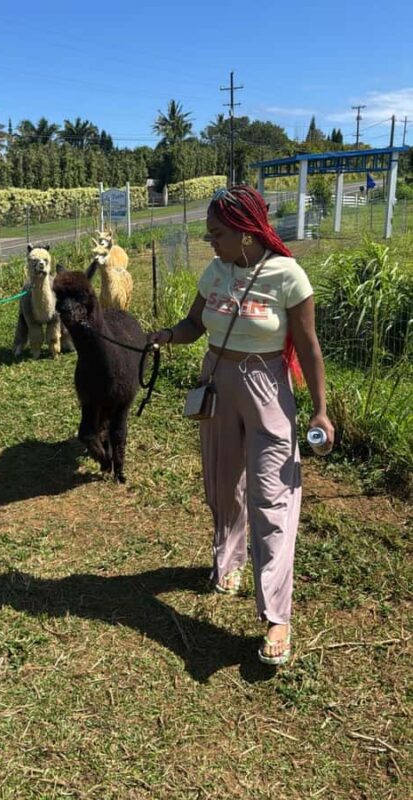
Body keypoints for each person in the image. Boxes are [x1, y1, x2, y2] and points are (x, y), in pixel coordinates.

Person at [149, 185, 334, 665]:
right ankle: (228, 561)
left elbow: (308, 345)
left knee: (272, 497)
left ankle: (277, 616)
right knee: (222, 484)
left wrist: (320, 410)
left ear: (246, 233)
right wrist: (166, 336)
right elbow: (194, 325)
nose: (210, 242)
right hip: (217, 382)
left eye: (217, 234)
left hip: (268, 390)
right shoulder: (216, 271)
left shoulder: (287, 275)